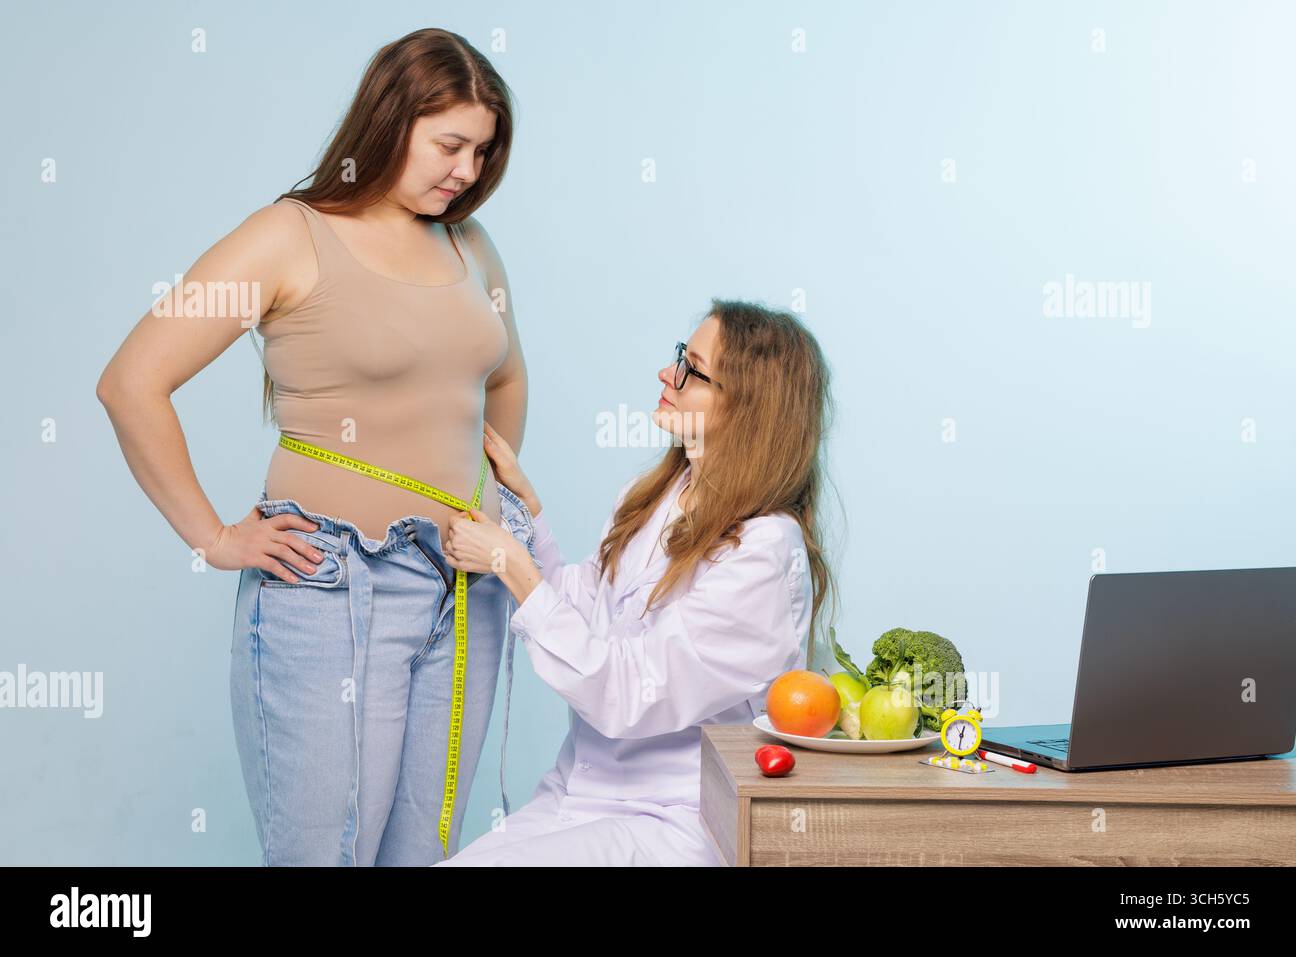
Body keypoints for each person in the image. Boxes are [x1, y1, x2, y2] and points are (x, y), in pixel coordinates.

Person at [95, 28, 530, 865]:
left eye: (483, 151)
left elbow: (504, 379)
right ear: (391, 119)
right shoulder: (287, 236)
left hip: (470, 587)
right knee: (327, 855)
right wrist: (214, 538)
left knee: (421, 853)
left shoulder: (470, 245)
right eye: (450, 145)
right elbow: (131, 382)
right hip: (332, 583)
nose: (468, 172)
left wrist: (494, 493)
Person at [435, 300, 836, 866]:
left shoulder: (765, 553)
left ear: (747, 408)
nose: (667, 376)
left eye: (693, 370)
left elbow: (625, 692)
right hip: (578, 792)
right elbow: (589, 618)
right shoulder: (653, 498)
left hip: (674, 820)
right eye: (680, 357)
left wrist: (513, 568)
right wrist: (530, 521)